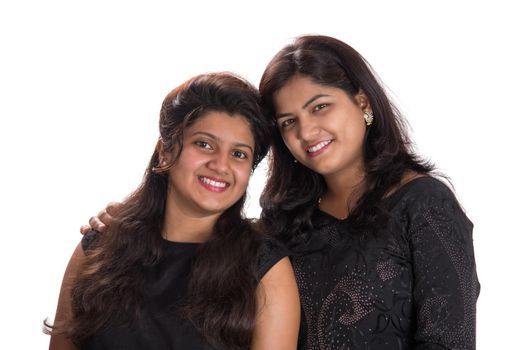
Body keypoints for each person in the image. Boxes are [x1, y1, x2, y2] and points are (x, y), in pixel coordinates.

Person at [83, 35, 480, 349]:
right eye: (289, 121)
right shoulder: (285, 222)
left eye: (320, 107)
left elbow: (450, 342)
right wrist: (133, 220)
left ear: (361, 101)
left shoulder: (424, 204)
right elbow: (204, 232)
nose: (306, 132)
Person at [47, 72, 301, 350]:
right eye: (204, 144)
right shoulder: (99, 245)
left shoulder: (265, 267)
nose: (220, 165)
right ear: (165, 152)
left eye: (239, 154)